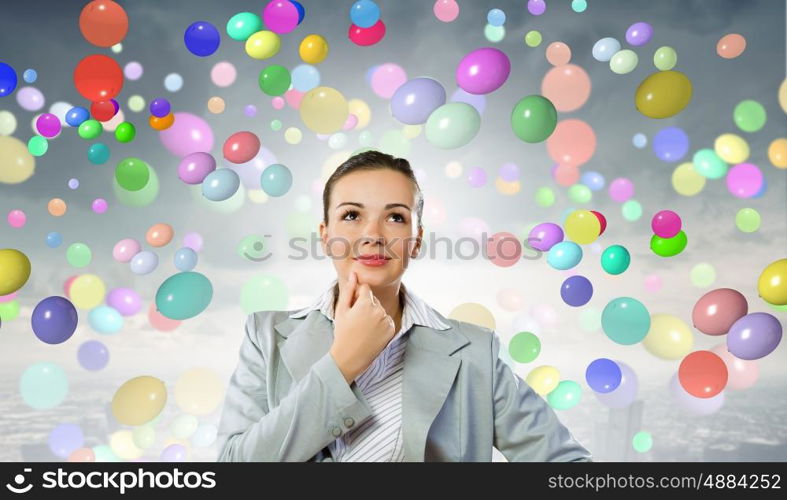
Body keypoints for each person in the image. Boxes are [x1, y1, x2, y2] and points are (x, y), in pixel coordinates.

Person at [216, 150, 592, 462]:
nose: (373, 235)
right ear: (325, 236)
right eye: (351, 215)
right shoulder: (266, 336)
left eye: (395, 217)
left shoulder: (473, 352)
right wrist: (342, 364)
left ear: (416, 240)